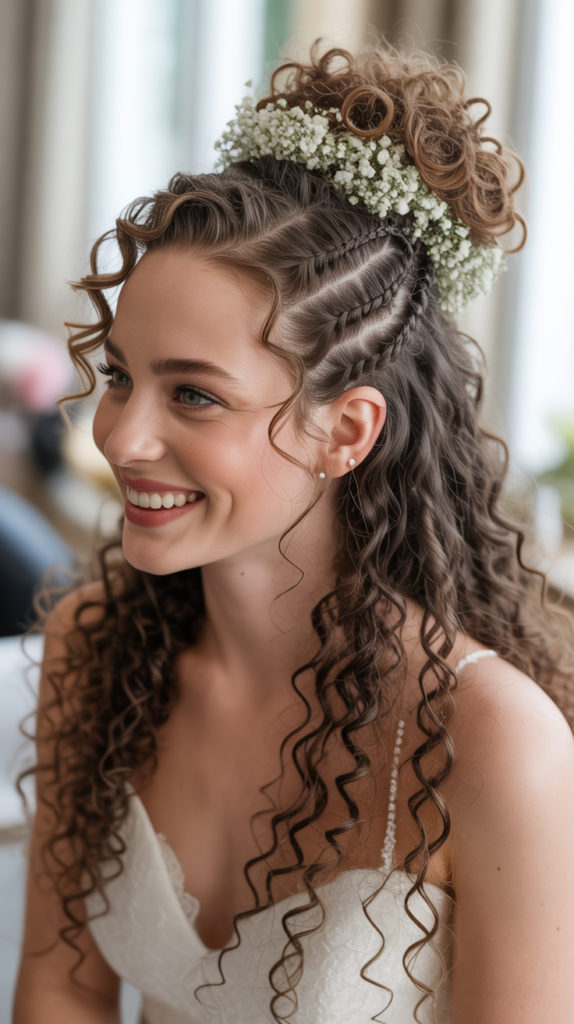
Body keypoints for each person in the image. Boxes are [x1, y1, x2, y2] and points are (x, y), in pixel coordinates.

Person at [13, 43, 574, 1024]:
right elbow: (62, 991)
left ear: (345, 430)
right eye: (118, 376)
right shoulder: (94, 647)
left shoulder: (492, 740)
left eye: (193, 393)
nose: (120, 435)